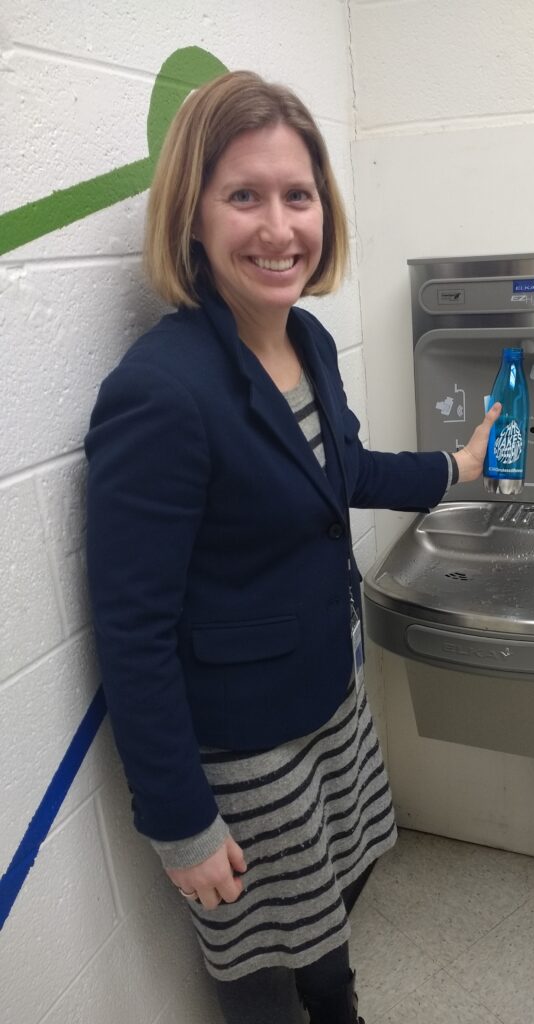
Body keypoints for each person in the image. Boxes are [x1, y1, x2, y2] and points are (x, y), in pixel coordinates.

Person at [85, 70, 500, 1024]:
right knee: (259, 960)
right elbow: (132, 632)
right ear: (191, 216)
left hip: (330, 697)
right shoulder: (161, 393)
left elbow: (341, 470)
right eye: (244, 196)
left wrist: (456, 466)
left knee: (333, 903)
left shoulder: (304, 338)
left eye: (297, 195)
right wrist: (181, 823)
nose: (279, 228)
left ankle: (338, 1004)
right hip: (247, 747)